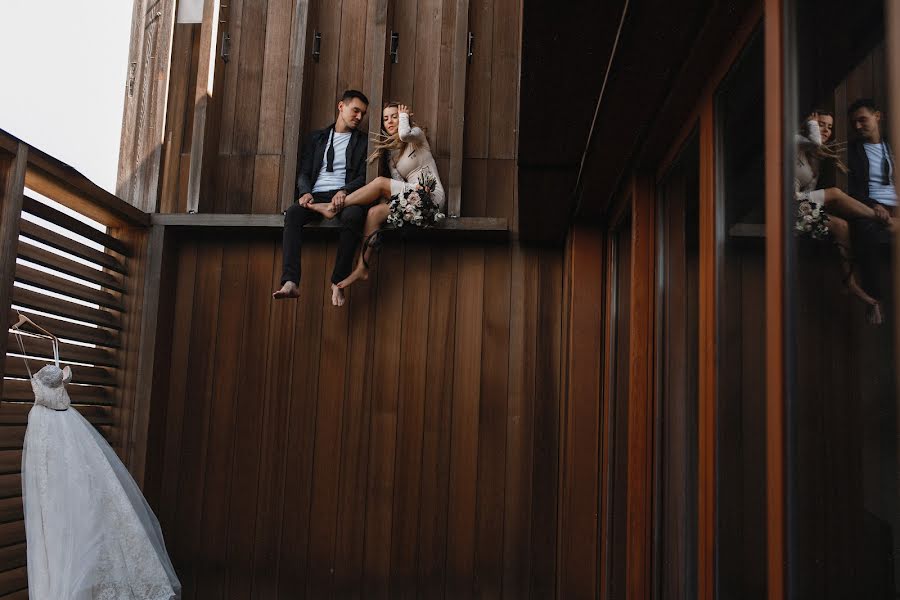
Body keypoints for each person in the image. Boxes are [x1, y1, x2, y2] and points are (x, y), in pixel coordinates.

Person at [11, 320, 180, 600]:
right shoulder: (20, 338)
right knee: (54, 503)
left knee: (91, 497)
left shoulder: (53, 342)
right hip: (47, 432)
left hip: (70, 427)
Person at [306, 103, 445, 290]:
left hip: (432, 197)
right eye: (386, 118)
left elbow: (404, 135)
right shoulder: (392, 156)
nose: (390, 122)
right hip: (412, 200)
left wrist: (404, 118)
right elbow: (396, 185)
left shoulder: (417, 137)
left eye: (394, 116)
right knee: (373, 213)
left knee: (380, 182)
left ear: (404, 117)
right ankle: (362, 267)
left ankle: (333, 207)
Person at [273, 90, 371, 307]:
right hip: (316, 195)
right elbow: (304, 172)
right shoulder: (316, 138)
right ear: (341, 107)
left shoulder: (364, 142)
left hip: (345, 196)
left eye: (362, 114)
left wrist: (344, 191)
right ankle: (290, 281)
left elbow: (365, 176)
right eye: (355, 111)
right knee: (293, 214)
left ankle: (338, 281)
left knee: (354, 216)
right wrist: (305, 192)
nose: (359, 117)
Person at [793, 111, 887, 313]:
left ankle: (849, 282)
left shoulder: (815, 155)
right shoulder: (793, 140)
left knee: (841, 226)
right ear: (808, 124)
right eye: (820, 124)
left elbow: (810, 192)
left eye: (829, 126)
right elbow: (816, 142)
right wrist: (810, 122)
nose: (825, 130)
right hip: (784, 208)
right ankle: (880, 218)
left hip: (801, 212)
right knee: (835, 194)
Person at [847, 98, 899, 324]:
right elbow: (852, 190)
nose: (858, 126)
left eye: (862, 120)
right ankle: (874, 301)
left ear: (877, 116)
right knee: (865, 231)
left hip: (896, 209)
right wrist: (873, 205)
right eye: (854, 123)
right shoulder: (852, 151)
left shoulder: (893, 146)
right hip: (870, 210)